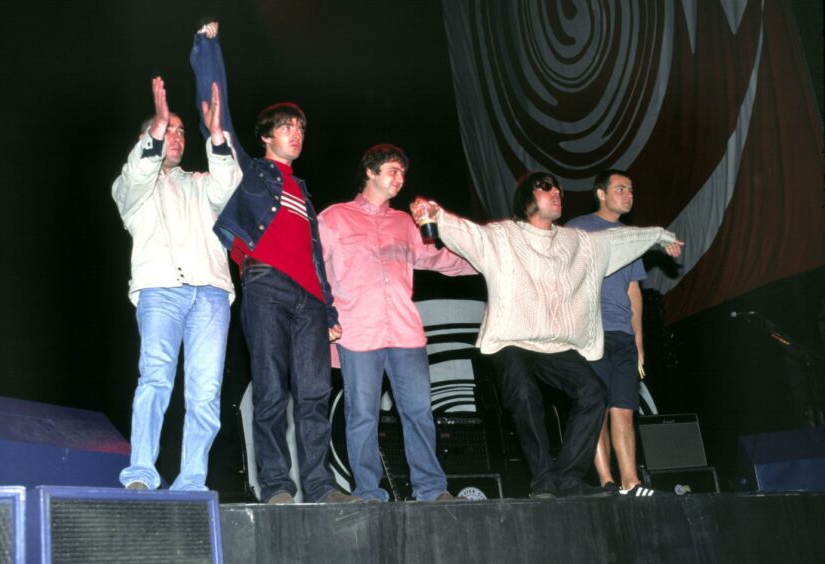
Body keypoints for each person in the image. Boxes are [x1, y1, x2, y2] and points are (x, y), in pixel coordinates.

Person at [411, 172, 683, 498]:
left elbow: (619, 241)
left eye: (558, 188)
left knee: (593, 391)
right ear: (527, 198)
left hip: (555, 345)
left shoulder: (576, 242)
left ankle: (567, 478)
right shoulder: (501, 236)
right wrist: (436, 214)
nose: (555, 192)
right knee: (524, 395)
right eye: (545, 187)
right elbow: (464, 232)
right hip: (512, 341)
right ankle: (543, 480)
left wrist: (661, 238)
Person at [190, 22, 357, 504]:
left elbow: (315, 259)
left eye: (301, 127)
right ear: (266, 136)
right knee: (270, 392)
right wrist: (208, 49)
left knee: (314, 395)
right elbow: (215, 121)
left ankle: (322, 485)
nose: (296, 133)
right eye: (286, 127)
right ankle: (278, 486)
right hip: (265, 287)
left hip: (309, 300)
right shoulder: (255, 172)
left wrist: (328, 312)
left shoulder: (303, 191)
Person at [318, 144, 477, 502]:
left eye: (403, 173)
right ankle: (369, 493)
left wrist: (489, 260)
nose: (400, 178)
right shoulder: (334, 218)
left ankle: (432, 489)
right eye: (392, 170)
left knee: (419, 413)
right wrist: (323, 316)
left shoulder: (405, 222)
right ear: (370, 172)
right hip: (358, 333)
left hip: (406, 333)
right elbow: (315, 272)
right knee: (362, 417)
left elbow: (440, 259)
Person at [111, 76, 242, 490]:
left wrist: (217, 134)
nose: (177, 136)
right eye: (170, 129)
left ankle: (191, 481)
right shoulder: (131, 189)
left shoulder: (201, 184)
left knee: (206, 392)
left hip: (211, 293)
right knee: (155, 380)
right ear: (147, 136)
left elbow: (229, 185)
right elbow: (137, 171)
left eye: (183, 131)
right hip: (160, 290)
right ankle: (141, 474)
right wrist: (158, 124)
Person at [567, 170, 655, 497]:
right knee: (597, 408)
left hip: (623, 334)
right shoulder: (578, 227)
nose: (628, 195)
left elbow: (635, 292)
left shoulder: (631, 237)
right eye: (620, 189)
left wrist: (639, 342)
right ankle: (607, 482)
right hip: (591, 331)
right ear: (601, 194)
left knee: (624, 408)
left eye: (631, 189)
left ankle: (631, 482)